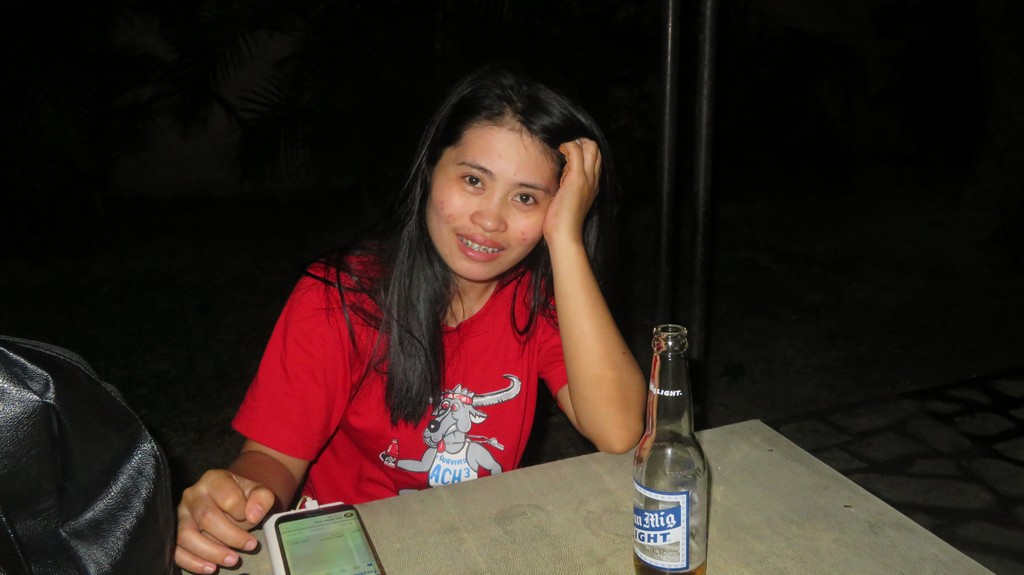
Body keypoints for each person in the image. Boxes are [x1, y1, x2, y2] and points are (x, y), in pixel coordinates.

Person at [174, 66, 646, 574]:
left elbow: (619, 430)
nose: (490, 219)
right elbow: (274, 458)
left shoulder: (538, 302)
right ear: (430, 170)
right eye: (473, 180)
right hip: (342, 548)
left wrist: (566, 240)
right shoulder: (337, 298)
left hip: (470, 541)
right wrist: (240, 495)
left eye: (526, 197)